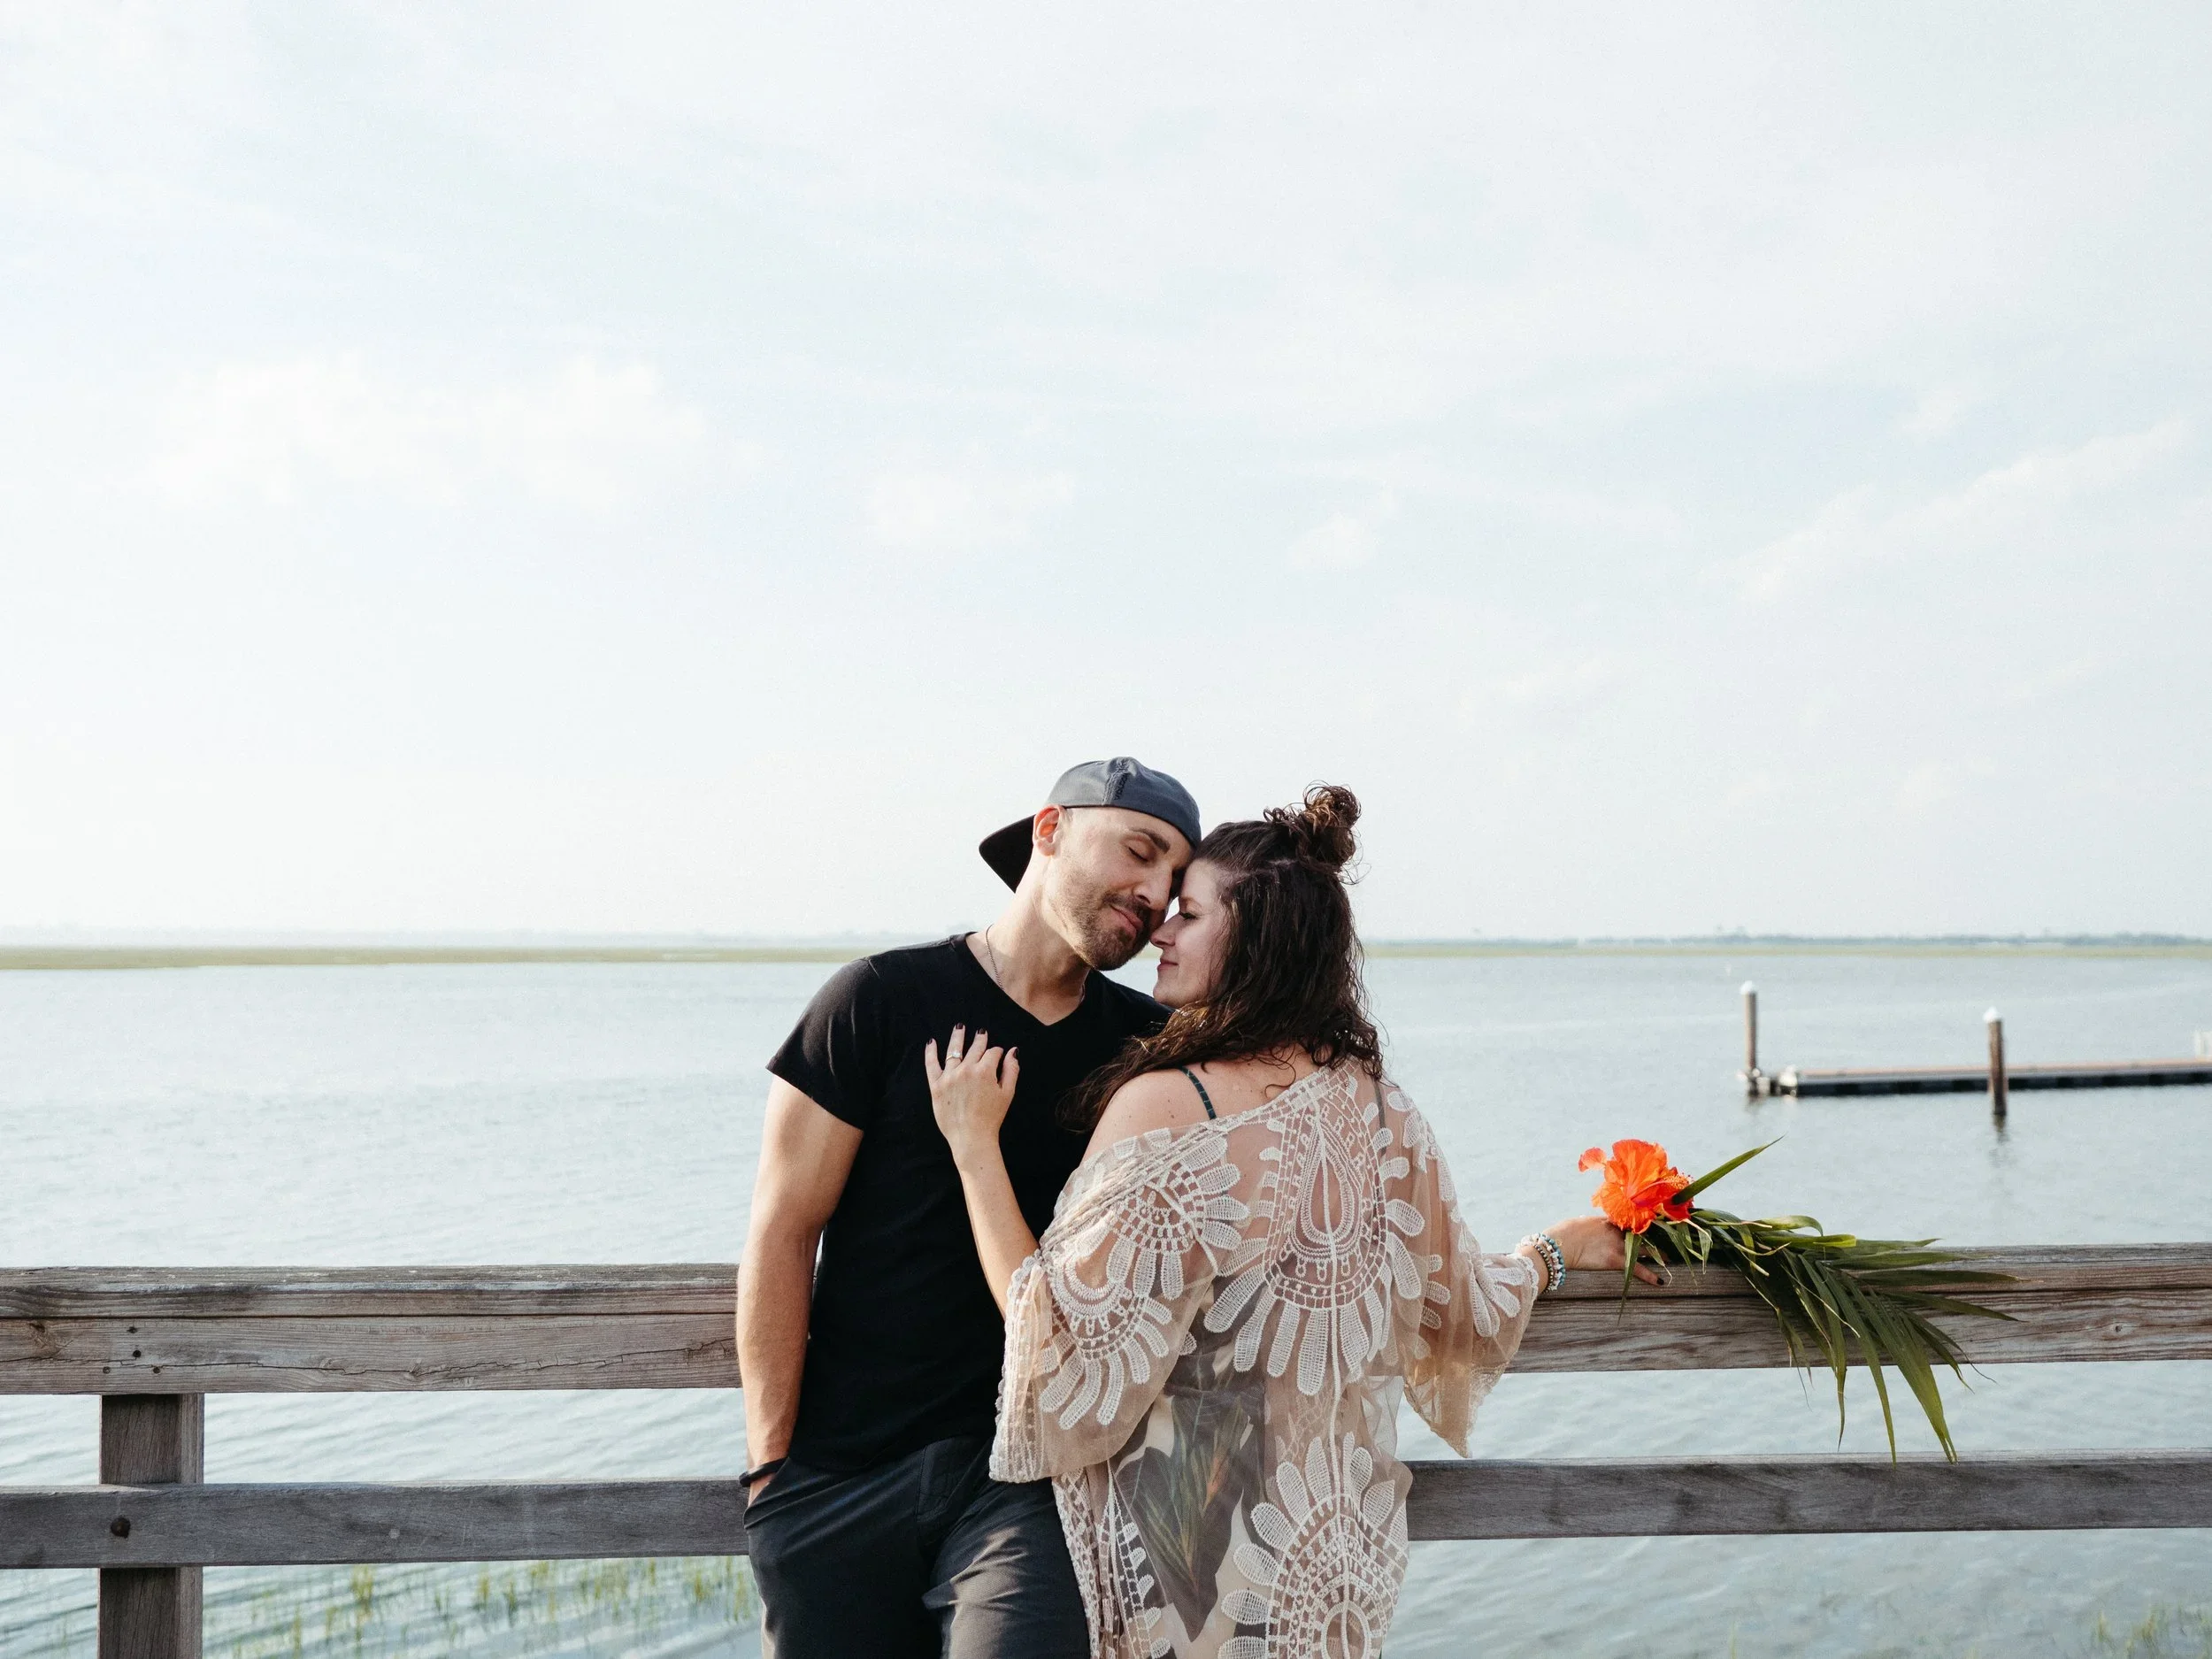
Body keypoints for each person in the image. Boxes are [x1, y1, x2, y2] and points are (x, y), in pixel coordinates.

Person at [926, 784, 1651, 1659]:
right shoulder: (1384, 1116)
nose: (1160, 929)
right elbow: (1460, 1313)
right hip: (1319, 1570)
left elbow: (1053, 1333)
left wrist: (972, 1149)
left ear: (1255, 941)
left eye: (1188, 915)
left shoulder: (1169, 1104)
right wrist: (1549, 1253)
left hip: (1183, 1564)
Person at [739, 757, 1205, 1658]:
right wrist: (772, 1472)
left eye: (1175, 883)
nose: (1153, 895)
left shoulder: (1146, 1052)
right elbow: (783, 1231)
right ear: (1049, 829)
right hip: (839, 1478)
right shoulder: (875, 1000)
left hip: (1032, 1482)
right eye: (1140, 853)